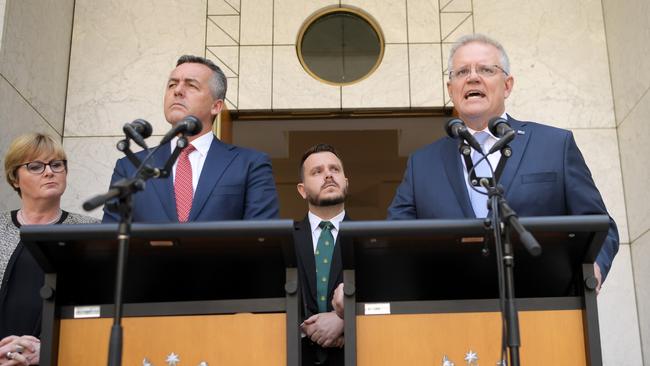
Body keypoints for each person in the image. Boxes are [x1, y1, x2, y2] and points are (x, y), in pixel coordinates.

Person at [387, 34, 619, 290]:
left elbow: (600, 226)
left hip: (546, 309)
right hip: (450, 315)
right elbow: (392, 241)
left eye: (486, 69)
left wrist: (592, 270)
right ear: (450, 89)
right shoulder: (422, 163)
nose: (472, 77)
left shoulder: (554, 145)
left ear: (507, 85)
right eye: (462, 71)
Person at [102, 55, 279, 223]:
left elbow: (261, 240)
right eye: (172, 85)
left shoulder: (250, 164)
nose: (177, 91)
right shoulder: (129, 167)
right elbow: (111, 241)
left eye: (191, 85)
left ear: (216, 106)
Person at [1, 133, 98, 365]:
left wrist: (50, 348)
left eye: (57, 164)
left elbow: (95, 309)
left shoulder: (90, 231)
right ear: (15, 178)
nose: (49, 172)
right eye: (35, 166)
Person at [294, 144, 348, 366]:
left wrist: (345, 320)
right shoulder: (284, 239)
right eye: (317, 172)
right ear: (302, 190)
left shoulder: (371, 239)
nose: (328, 175)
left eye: (335, 169)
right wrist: (307, 330)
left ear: (346, 182)